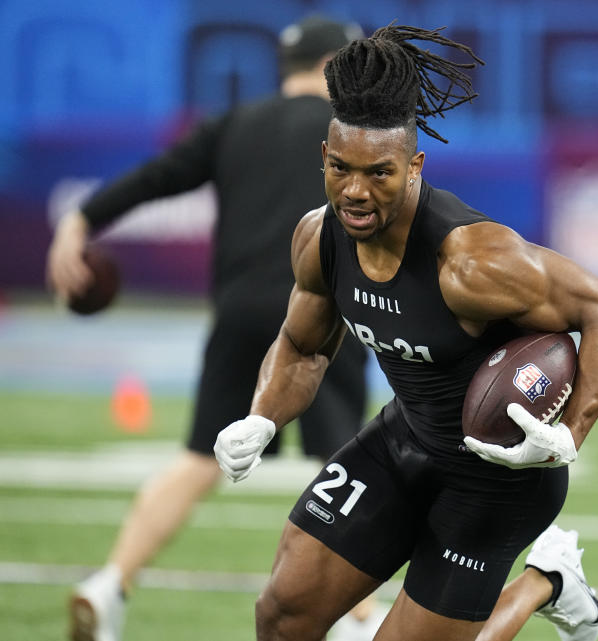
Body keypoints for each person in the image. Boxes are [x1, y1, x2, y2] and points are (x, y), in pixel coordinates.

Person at [212, 23, 598, 641]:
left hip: (497, 480)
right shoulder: (319, 236)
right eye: (341, 169)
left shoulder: (473, 262)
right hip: (403, 440)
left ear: (414, 166)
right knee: (281, 617)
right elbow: (304, 345)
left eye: (378, 173)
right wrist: (261, 418)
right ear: (323, 158)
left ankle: (547, 579)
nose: (355, 192)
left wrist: (568, 436)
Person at [45, 15, 383, 641]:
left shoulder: (235, 124)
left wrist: (80, 221)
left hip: (239, 310)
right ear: (339, 66)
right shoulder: (353, 135)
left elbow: (154, 178)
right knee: (347, 468)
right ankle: (358, 619)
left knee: (198, 458)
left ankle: (111, 582)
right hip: (321, 315)